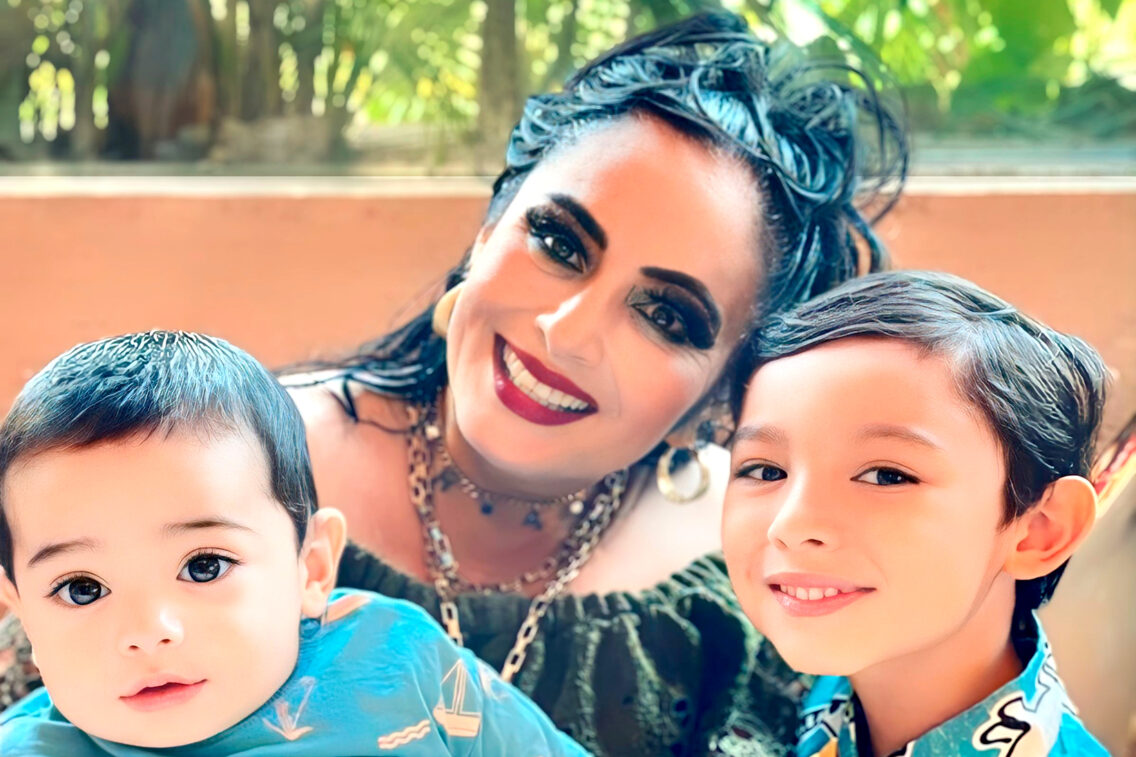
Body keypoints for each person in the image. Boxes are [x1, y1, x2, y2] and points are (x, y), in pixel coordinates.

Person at [0, 11, 908, 756]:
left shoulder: (755, 575)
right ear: (486, 233)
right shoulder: (210, 474)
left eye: (667, 315)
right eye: (558, 242)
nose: (566, 331)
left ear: (718, 396)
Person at [0, 331, 587, 756]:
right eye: (82, 588)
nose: (149, 632)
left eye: (205, 567)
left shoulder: (396, 658)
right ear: (21, 611)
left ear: (313, 568)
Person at [721, 271, 1109, 756]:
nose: (791, 525)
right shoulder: (797, 683)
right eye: (765, 470)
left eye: (887, 476)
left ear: (1039, 530)